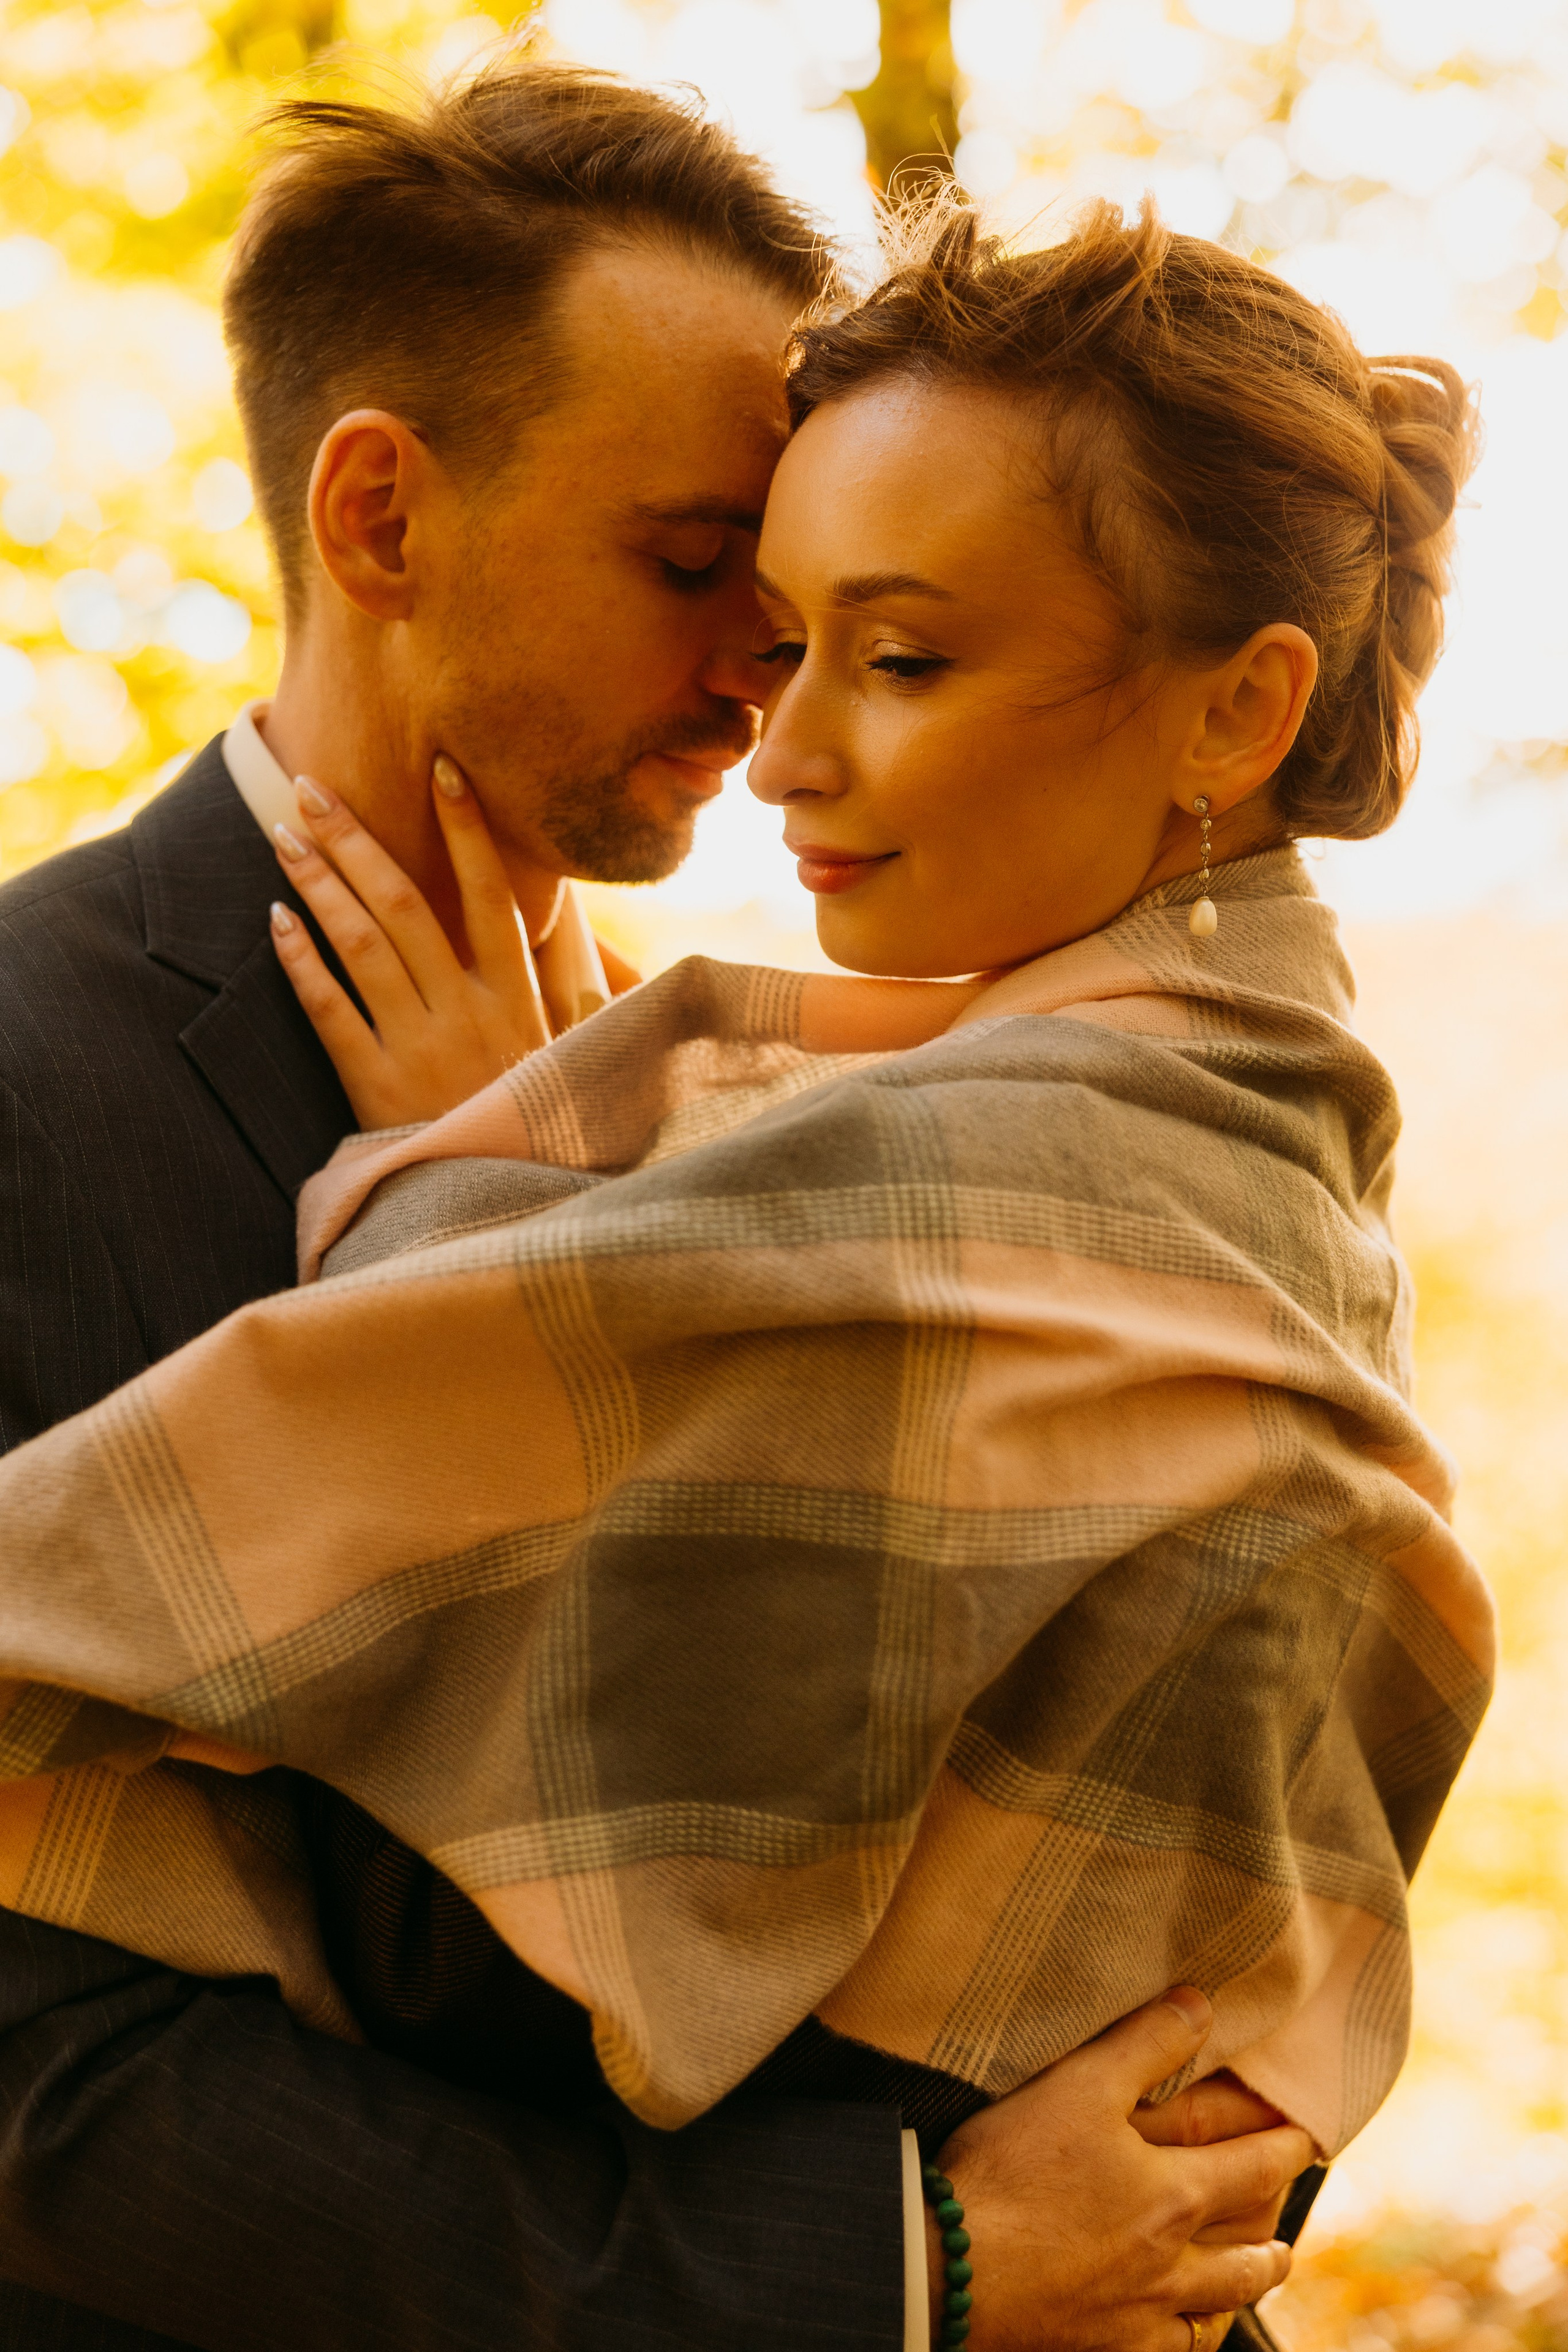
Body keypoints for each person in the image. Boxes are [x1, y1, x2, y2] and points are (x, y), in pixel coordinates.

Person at [0, 65, 1310, 2352]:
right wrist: (896, 2267)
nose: (770, 680)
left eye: (799, 599)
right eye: (697, 565)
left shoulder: (808, 1085)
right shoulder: (31, 1074)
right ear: (381, 515)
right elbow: (46, 2095)